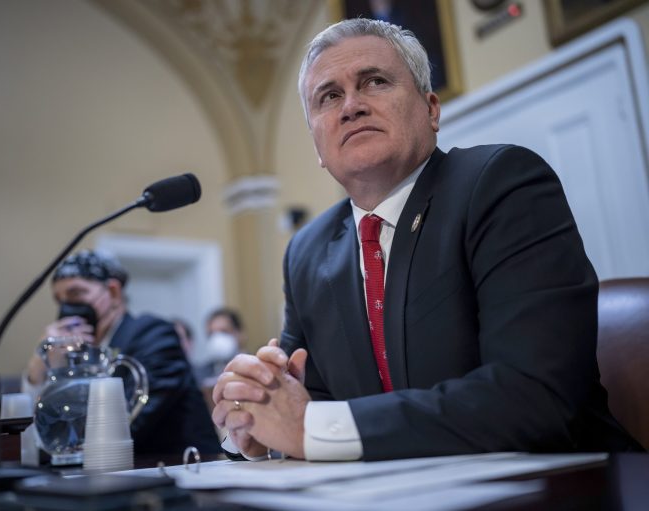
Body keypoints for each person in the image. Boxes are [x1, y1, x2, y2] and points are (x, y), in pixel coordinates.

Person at [212, 18, 641, 461]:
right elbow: (310, 400)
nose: (351, 106)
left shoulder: (501, 184)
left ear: (431, 109)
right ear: (319, 147)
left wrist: (308, 426)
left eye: (374, 81)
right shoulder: (307, 251)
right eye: (329, 96)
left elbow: (534, 396)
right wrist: (257, 420)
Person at [25, 250, 220, 457]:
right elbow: (51, 433)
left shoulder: (153, 334)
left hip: (182, 468)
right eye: (60, 299)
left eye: (76, 294)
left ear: (113, 292)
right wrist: (41, 368)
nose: (67, 307)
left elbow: (126, 426)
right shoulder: (82, 355)